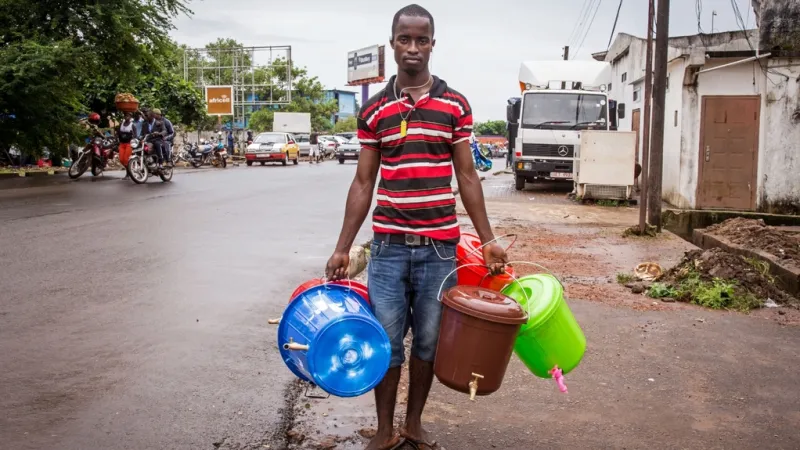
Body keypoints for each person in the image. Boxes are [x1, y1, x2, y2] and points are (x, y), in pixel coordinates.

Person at [324, 5, 507, 450]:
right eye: (404, 39)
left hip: (440, 248)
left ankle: (414, 424)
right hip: (387, 248)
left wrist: (488, 239)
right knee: (385, 343)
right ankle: (385, 429)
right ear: (392, 44)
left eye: (421, 40)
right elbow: (363, 181)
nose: (412, 48)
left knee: (428, 341)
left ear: (432, 45)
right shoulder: (373, 110)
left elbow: (467, 176)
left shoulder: (454, 105)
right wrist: (342, 247)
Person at [117, 112, 135, 177]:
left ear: (130, 117)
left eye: (128, 116)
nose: (126, 117)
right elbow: (118, 133)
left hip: (129, 144)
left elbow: (135, 135)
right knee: (121, 159)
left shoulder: (132, 125)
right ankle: (129, 169)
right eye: (125, 115)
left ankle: (128, 173)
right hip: (122, 144)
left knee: (126, 159)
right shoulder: (121, 124)